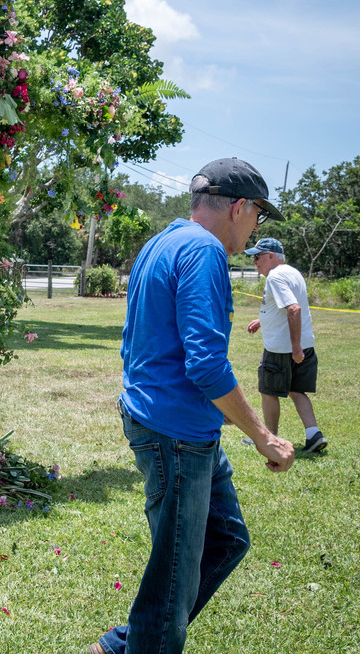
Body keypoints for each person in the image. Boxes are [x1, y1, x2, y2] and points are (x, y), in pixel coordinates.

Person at [90, 158, 295, 654]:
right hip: (177, 434)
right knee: (176, 579)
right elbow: (206, 366)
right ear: (240, 207)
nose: (254, 230)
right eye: (257, 217)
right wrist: (262, 434)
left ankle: (123, 646)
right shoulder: (204, 252)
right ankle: (142, 643)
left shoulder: (162, 242)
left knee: (225, 538)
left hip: (166, 422)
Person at [245, 237, 327, 454]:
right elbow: (285, 306)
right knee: (296, 389)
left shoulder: (275, 276)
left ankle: (270, 438)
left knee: (267, 391)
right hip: (304, 343)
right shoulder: (293, 272)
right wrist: (264, 320)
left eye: (257, 257)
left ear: (271, 256)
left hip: (282, 348)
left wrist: (295, 347)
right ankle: (314, 434)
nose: (255, 262)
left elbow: (293, 309)